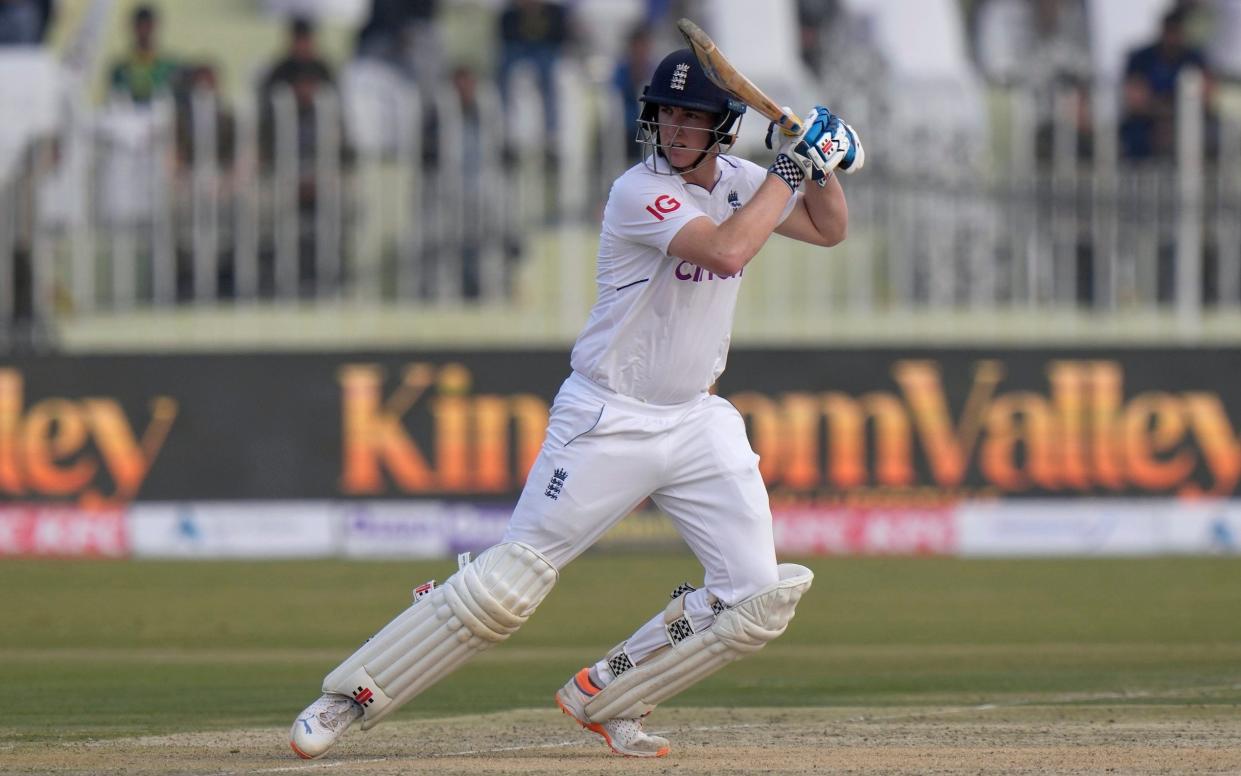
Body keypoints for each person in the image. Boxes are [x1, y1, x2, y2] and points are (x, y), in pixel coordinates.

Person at [287, 46, 864, 760]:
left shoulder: (747, 179)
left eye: (693, 117)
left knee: (753, 600)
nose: (677, 129)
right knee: (506, 588)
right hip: (607, 418)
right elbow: (724, 253)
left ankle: (608, 692)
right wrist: (794, 165)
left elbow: (827, 227)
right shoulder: (638, 192)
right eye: (667, 114)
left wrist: (823, 162)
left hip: (695, 420)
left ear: (722, 128)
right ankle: (347, 697)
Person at [107, 4, 180, 104]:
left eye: (147, 26)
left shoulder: (168, 67)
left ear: (154, 27)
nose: (144, 31)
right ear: (133, 28)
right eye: (140, 26)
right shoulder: (120, 70)